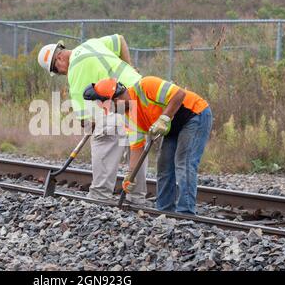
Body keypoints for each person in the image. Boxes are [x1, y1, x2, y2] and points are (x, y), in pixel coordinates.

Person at [37, 35, 148, 205]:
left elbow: (85, 117)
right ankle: (136, 198)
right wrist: (129, 66)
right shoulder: (92, 44)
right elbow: (120, 40)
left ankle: (100, 196)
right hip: (140, 99)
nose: (61, 73)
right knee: (136, 148)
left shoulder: (75, 70)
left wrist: (90, 125)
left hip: (116, 105)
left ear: (58, 58)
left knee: (103, 140)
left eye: (57, 70)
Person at [83, 77, 212, 214]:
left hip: (194, 115)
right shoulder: (127, 116)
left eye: (110, 108)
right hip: (173, 126)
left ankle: (186, 213)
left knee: (183, 162)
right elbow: (137, 148)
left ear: (115, 100)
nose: (112, 112)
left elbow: (179, 94)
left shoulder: (145, 86)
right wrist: (130, 175)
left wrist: (164, 117)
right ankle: (165, 211)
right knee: (164, 166)